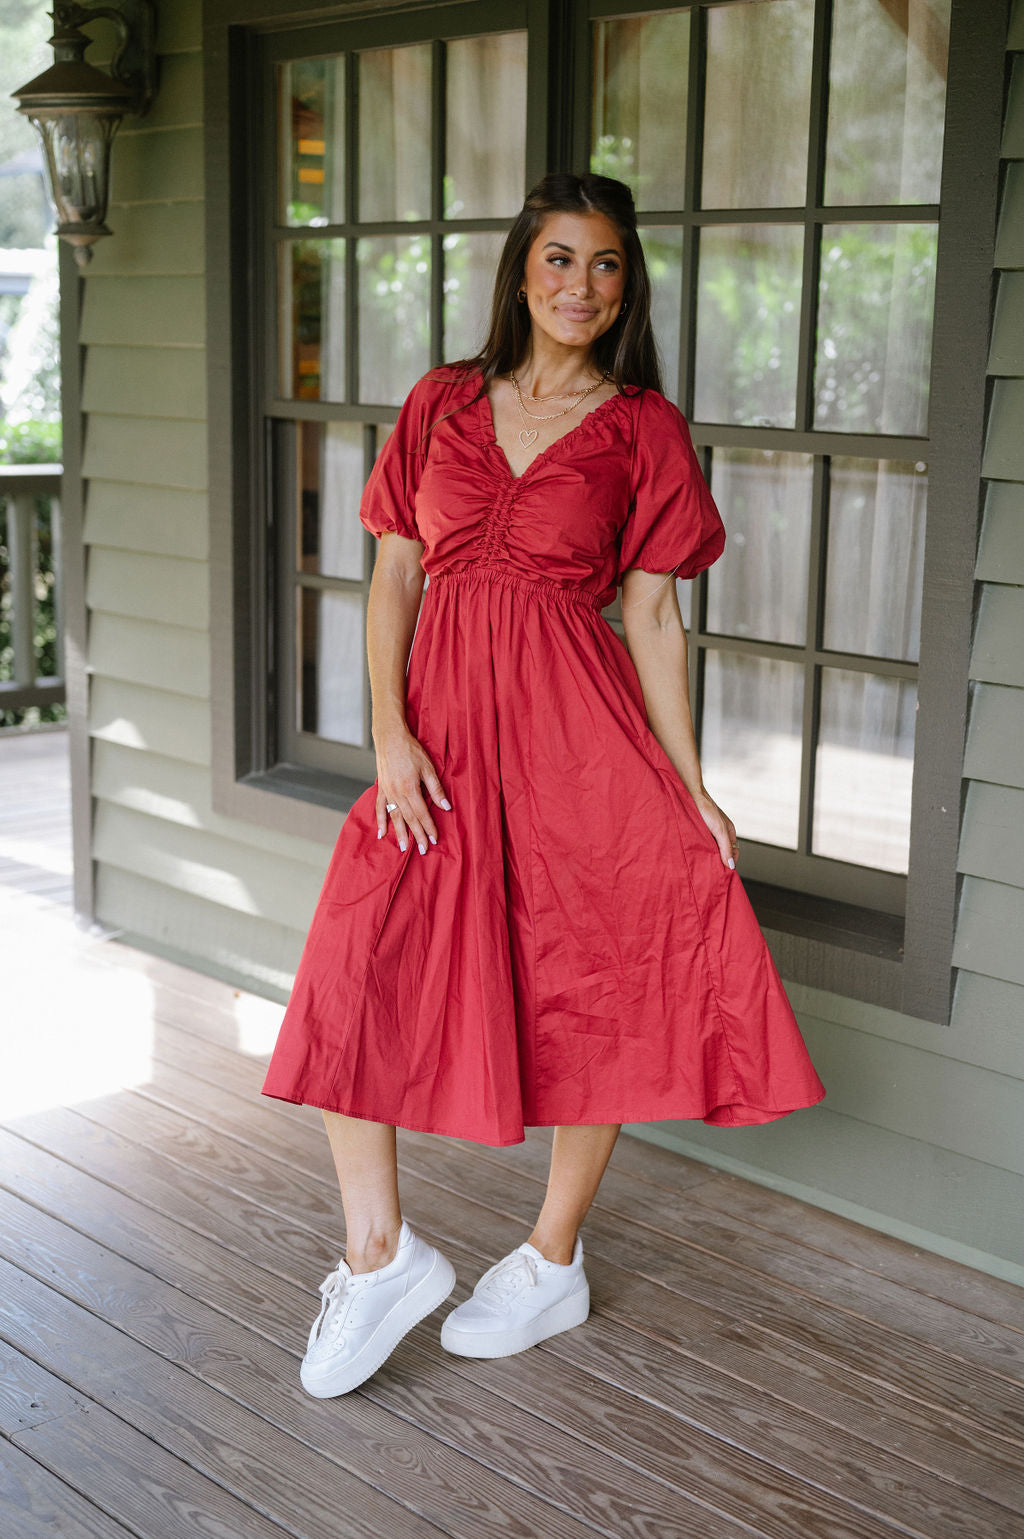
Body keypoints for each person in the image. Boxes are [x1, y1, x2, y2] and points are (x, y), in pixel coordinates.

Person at [261, 171, 826, 1399]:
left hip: (581, 737)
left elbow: (655, 618)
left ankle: (551, 1257)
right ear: (521, 269)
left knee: (599, 981)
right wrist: (387, 732)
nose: (582, 284)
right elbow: (397, 574)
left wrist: (691, 785)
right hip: (440, 742)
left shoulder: (642, 429)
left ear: (628, 285)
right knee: (353, 968)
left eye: (607, 264)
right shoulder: (441, 402)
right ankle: (380, 1254)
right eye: (559, 258)